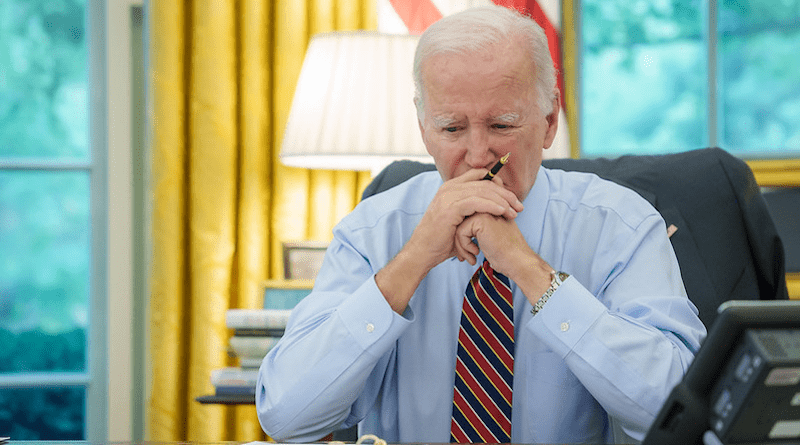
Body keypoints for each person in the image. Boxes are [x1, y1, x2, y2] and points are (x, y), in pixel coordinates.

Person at [256, 5, 706, 444]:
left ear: (549, 121)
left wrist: (530, 271)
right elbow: (288, 416)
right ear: (423, 126)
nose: (477, 155)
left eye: (501, 125)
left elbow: (680, 414)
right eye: (452, 128)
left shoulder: (621, 226)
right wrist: (411, 263)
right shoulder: (372, 231)